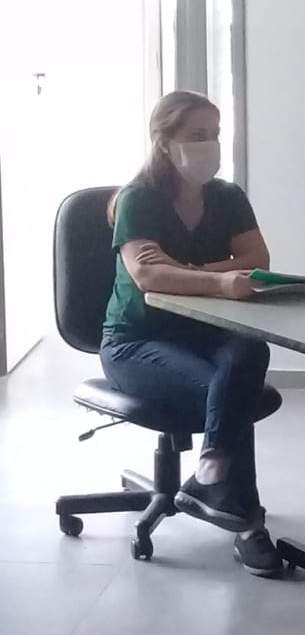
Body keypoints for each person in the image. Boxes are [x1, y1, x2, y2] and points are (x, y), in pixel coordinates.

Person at [102, 89, 282, 576]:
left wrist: (185, 270)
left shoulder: (227, 196)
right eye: (197, 135)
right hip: (136, 342)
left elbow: (258, 260)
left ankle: (210, 474)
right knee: (229, 390)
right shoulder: (139, 199)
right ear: (164, 141)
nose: (210, 145)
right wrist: (220, 278)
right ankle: (249, 525)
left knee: (249, 351)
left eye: (215, 134)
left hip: (207, 332)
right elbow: (148, 275)